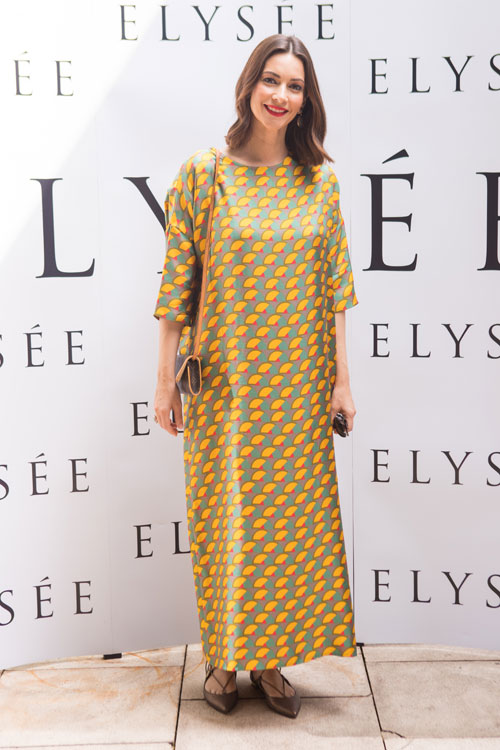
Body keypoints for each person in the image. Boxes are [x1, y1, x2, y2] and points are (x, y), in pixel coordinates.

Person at [153, 33, 359, 719]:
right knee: (227, 519)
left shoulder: (319, 182)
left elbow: (336, 293)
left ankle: (269, 660)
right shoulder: (203, 174)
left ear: (307, 100)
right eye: (271, 80)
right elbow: (176, 288)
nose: (281, 95)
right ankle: (222, 659)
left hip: (298, 387)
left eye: (295, 86)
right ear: (249, 85)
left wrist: (341, 383)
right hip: (226, 387)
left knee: (287, 526)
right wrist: (163, 381)